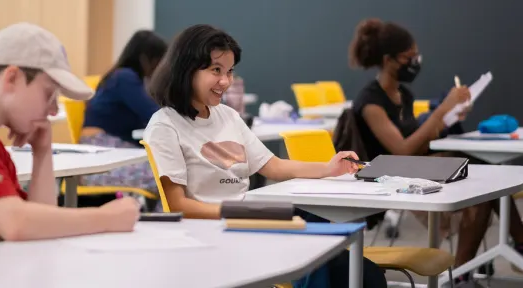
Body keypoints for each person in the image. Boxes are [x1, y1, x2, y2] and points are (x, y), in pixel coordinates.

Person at [144, 24, 387, 288]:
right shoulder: (165, 125)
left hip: (247, 221)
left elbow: (272, 165)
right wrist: (238, 213)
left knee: (354, 266)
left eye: (229, 71)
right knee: (348, 269)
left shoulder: (228, 116)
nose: (225, 81)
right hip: (215, 231)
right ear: (186, 69)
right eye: (216, 70)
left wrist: (329, 168)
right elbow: (178, 205)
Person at [0, 23, 139, 248]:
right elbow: (16, 224)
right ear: (11, 78)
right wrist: (107, 219)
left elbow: (39, 226)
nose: (54, 109)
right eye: (49, 93)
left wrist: (42, 152)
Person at [349, 18, 523, 286]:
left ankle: (469, 268)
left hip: (409, 168)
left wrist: (450, 117)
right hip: (386, 174)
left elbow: (419, 139)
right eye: (409, 57)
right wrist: (441, 111)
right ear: (389, 60)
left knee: (485, 182)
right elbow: (402, 150)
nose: (415, 62)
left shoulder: (402, 95)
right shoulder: (370, 101)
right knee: (476, 169)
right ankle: (495, 256)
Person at [80, 30, 167, 192]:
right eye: (158, 61)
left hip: (108, 150)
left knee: (170, 171)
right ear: (145, 58)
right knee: (167, 175)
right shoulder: (124, 78)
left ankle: (164, 215)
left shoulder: (121, 77)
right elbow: (153, 114)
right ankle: (163, 216)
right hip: (99, 154)